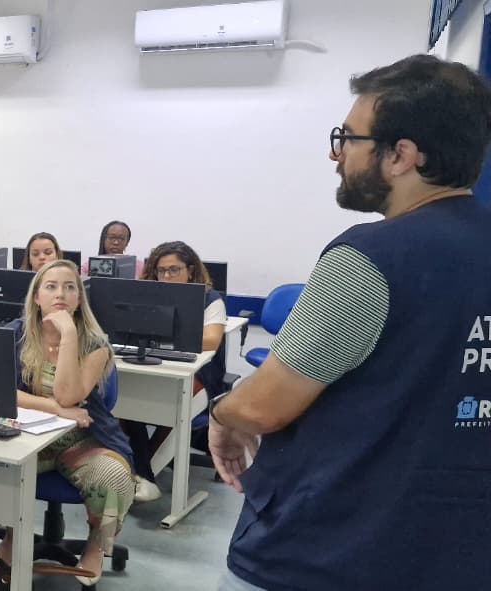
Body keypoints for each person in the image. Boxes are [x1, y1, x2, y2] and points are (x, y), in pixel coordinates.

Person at [210, 55, 491, 590]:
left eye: (348, 138)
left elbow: (264, 407)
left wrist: (222, 412)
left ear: (400, 155)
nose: (335, 155)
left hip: (325, 551)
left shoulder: (369, 258)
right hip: (457, 554)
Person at [0, 260, 135, 589]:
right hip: (27, 435)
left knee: (113, 479)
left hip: (82, 439)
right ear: (36, 297)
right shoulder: (16, 333)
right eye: (51, 287)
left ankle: (97, 547)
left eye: (70, 288)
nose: (60, 294)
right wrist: (53, 407)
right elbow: (0, 390)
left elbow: (69, 396)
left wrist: (67, 333)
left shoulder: (95, 343)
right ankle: (13, 535)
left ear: (79, 299)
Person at [123, 241, 226, 502]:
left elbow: (211, 340)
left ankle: (143, 477)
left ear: (190, 271)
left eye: (174, 270)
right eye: (161, 271)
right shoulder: (148, 298)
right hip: (155, 368)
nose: (167, 276)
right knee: (124, 401)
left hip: (198, 377)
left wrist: (164, 335)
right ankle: (136, 474)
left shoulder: (210, 299)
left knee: (177, 407)